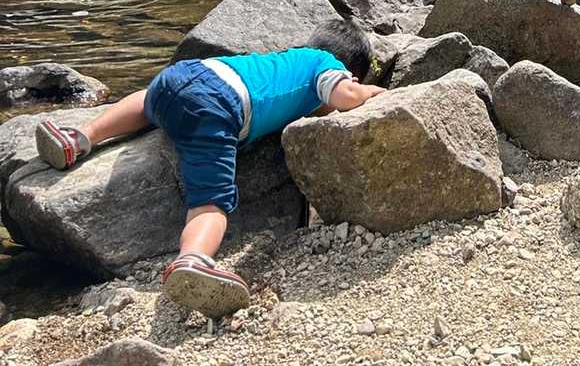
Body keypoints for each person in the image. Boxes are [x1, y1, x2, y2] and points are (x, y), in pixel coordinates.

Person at [35, 18, 384, 319]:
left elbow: (310, 104)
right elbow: (343, 97)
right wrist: (369, 93)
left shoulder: (285, 60)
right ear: (349, 69)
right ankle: (193, 260)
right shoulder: (325, 64)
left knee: (148, 100)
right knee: (211, 203)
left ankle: (80, 137)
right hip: (217, 106)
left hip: (186, 74)